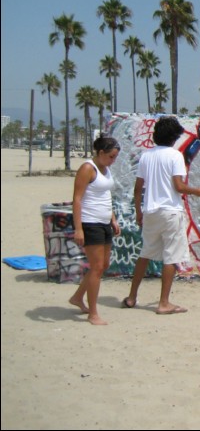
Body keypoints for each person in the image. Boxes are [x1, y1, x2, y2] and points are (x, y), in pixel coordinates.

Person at [122, 116, 200, 314]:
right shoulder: (175, 156)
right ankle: (164, 303)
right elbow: (178, 187)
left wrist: (138, 212)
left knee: (144, 254)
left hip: (150, 210)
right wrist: (197, 191)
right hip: (170, 211)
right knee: (171, 257)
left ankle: (132, 296)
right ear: (174, 137)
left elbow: (138, 189)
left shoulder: (146, 156)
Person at [68, 136, 121, 325]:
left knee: (104, 265)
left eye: (115, 157)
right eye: (111, 156)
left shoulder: (105, 169)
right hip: (90, 223)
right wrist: (78, 229)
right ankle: (93, 313)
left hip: (105, 221)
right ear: (100, 153)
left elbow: (105, 194)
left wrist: (113, 218)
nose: (113, 160)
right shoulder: (87, 169)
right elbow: (77, 199)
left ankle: (77, 297)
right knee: (97, 267)